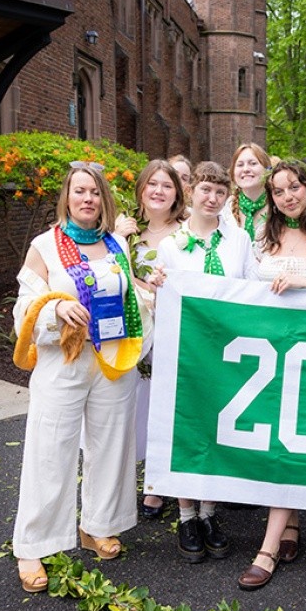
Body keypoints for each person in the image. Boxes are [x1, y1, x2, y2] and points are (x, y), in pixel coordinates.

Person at [11, 162, 147, 592]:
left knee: (112, 447)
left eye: (94, 193)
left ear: (104, 199)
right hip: (64, 362)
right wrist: (54, 308)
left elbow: (129, 299)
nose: (87, 199)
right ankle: (34, 545)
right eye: (79, 192)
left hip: (111, 361)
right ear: (67, 198)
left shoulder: (116, 246)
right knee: (50, 448)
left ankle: (99, 525)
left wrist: (152, 292)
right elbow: (23, 310)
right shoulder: (44, 246)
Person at [238, 161, 306, 590]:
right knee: (273, 440)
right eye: (279, 191)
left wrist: (305, 285)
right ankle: (291, 523)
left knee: (292, 439)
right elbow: (245, 292)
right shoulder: (263, 236)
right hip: (270, 352)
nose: (288, 196)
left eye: (294, 187)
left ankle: (266, 549)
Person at [156, 161, 260, 562]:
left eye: (220, 192)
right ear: (192, 193)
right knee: (190, 427)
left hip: (229, 349)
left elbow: (252, 285)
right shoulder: (172, 245)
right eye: (205, 191)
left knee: (219, 428)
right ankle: (186, 515)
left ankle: (210, 512)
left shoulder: (238, 241)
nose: (212, 199)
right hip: (190, 350)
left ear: (226, 196)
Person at [114, 160, 188, 521]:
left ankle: (160, 485)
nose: (158, 191)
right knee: (137, 408)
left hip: (173, 329)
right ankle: (134, 477)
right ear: (141, 189)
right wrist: (118, 238)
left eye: (166, 185)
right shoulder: (126, 231)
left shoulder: (185, 232)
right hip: (135, 331)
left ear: (177, 193)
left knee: (169, 407)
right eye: (152, 184)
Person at [228, 143, 271, 239]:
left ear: (267, 170)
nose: (246, 169)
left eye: (253, 163)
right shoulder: (225, 209)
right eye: (240, 165)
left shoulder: (278, 206)